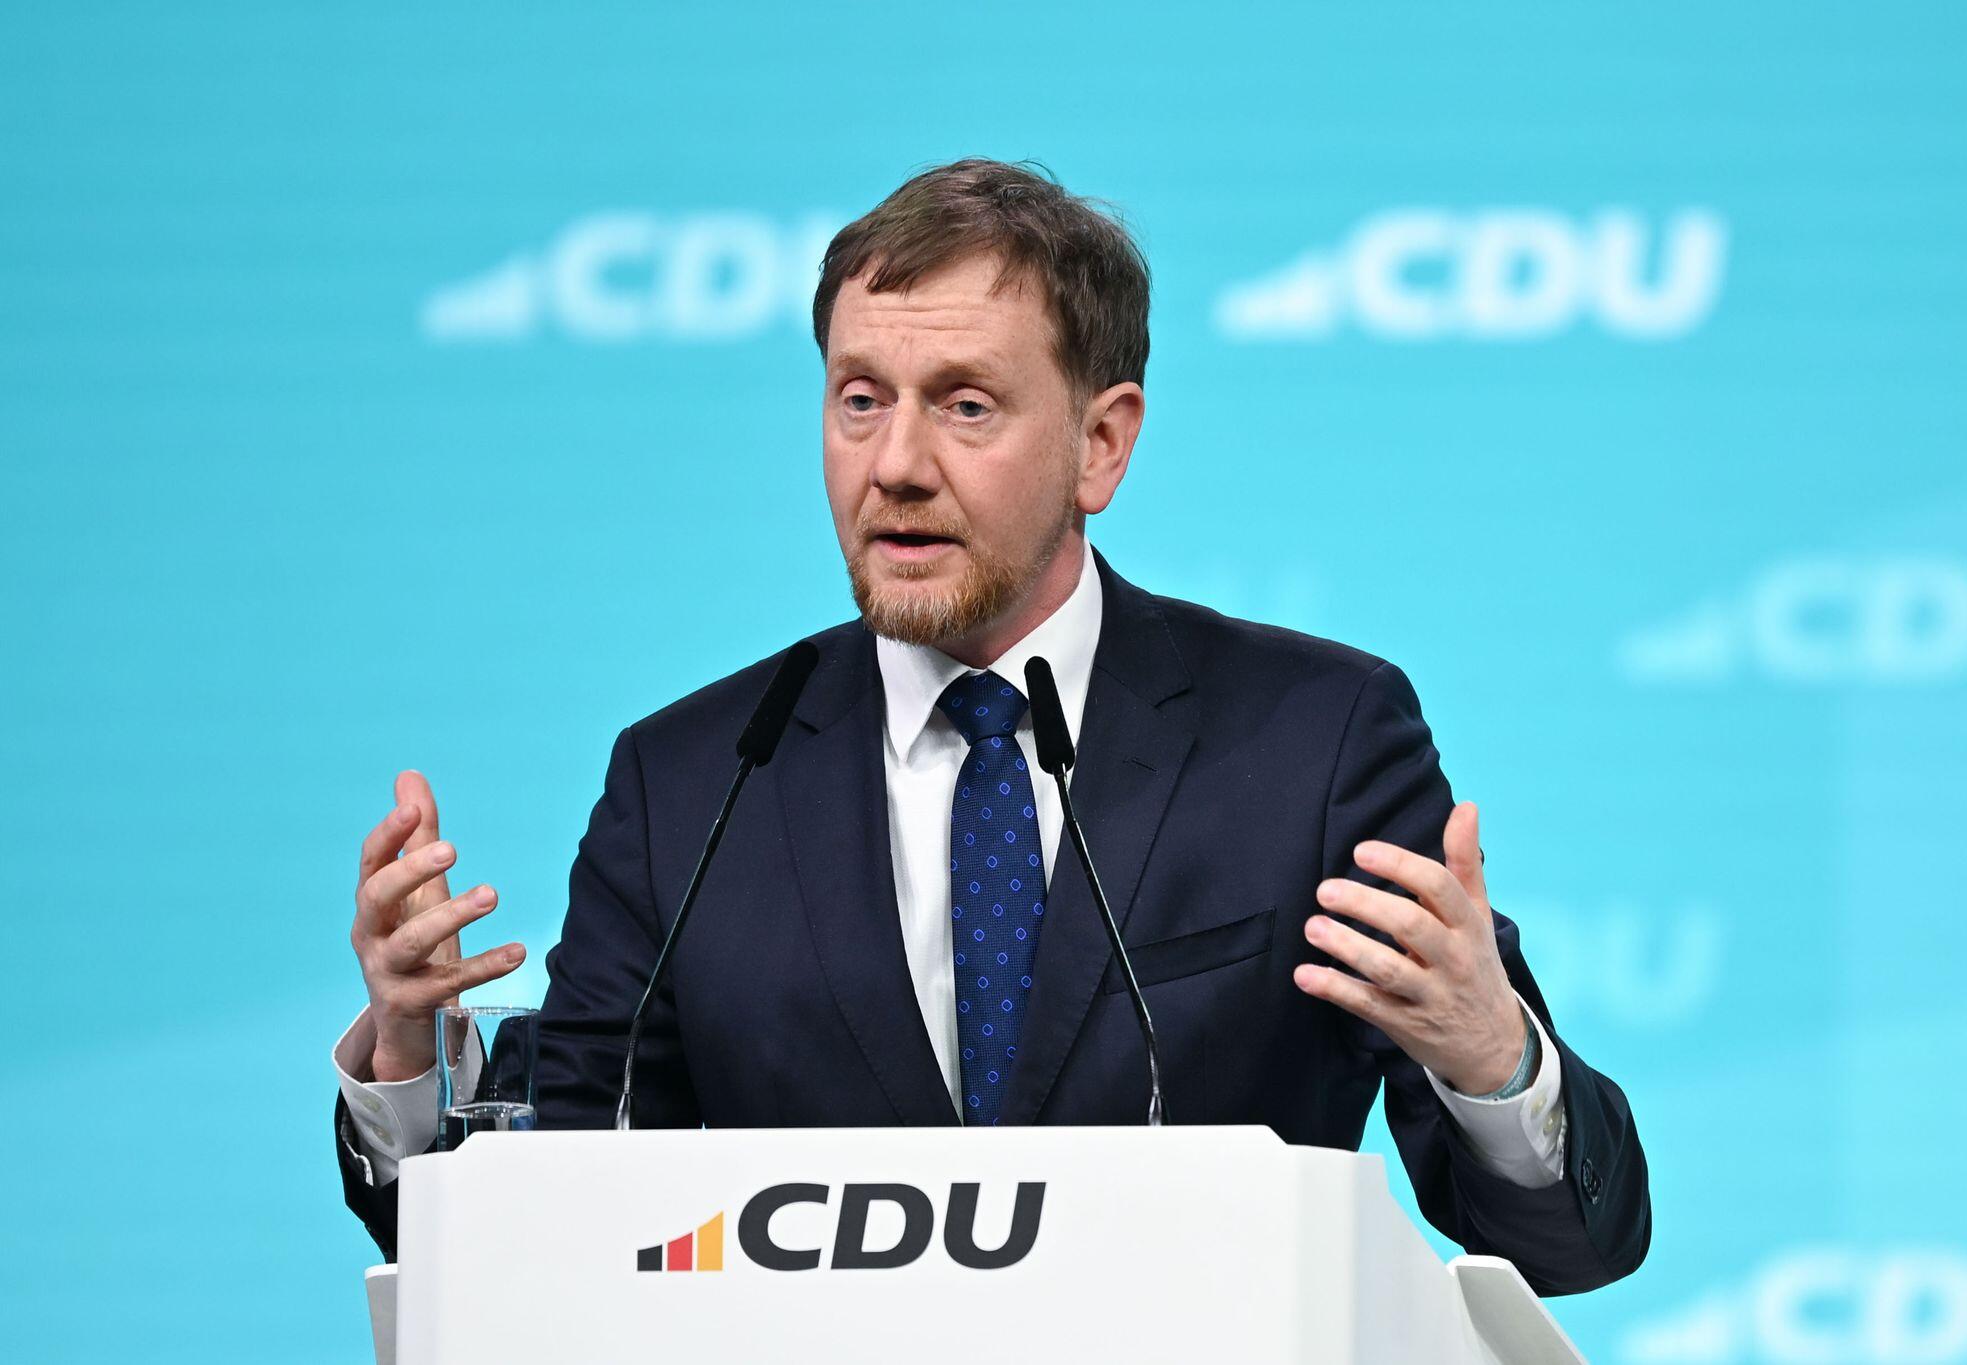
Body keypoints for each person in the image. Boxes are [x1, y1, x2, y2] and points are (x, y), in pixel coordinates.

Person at [335, 158, 1650, 1294]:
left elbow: (1569, 1244)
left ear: (1102, 444)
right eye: (861, 398)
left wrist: (1491, 1057)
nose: (897, 464)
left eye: (965, 404)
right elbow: (543, 1232)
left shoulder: (1314, 742)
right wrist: (407, 1061)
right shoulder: (692, 781)